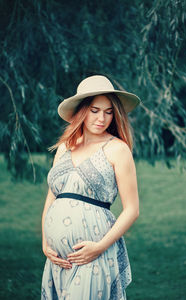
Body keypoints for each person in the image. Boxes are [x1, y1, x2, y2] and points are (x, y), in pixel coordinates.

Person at [41, 75, 140, 300]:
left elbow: (132, 209)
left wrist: (99, 247)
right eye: (95, 110)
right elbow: (52, 197)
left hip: (94, 253)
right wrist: (45, 242)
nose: (101, 118)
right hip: (57, 258)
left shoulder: (117, 149)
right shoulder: (64, 148)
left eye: (108, 112)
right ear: (82, 111)